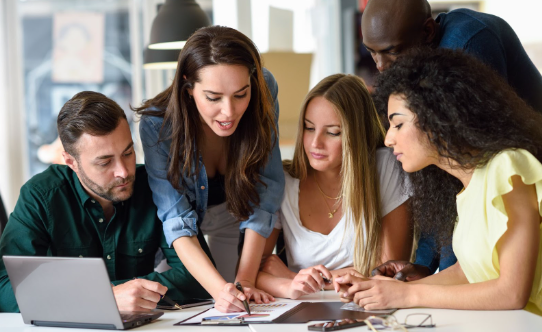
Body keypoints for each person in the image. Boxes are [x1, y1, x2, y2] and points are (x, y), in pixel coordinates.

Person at [334, 48, 542, 316]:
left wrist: (407, 294)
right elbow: (468, 272)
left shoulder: (508, 168)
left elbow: (512, 292)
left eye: (397, 124)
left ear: (438, 117)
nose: (388, 139)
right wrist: (379, 288)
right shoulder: (466, 187)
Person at [361, 0, 542, 279]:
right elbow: (440, 175)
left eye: (392, 51)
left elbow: (460, 175)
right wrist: (423, 265)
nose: (381, 66)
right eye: (371, 53)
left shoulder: (468, 46)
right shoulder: (421, 64)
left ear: (428, 32)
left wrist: (437, 272)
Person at [0, 91, 207, 313]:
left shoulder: (154, 187)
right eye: (105, 162)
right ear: (71, 162)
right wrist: (102, 297)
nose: (123, 172)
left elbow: (199, 278)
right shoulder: (41, 196)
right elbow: (5, 289)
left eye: (128, 153)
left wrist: (120, 294)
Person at [135, 25, 284, 313]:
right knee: (196, 304)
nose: (229, 112)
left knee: (242, 302)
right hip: (185, 231)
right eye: (213, 98)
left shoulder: (265, 88)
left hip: (237, 211)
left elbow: (267, 187)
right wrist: (220, 292)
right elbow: (177, 221)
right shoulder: (157, 125)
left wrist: (245, 280)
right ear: (188, 86)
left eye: (241, 94)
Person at [255, 74, 412, 299]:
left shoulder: (385, 167)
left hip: (368, 306)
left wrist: (293, 277)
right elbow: (255, 272)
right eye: (309, 128)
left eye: (332, 132)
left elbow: (389, 271)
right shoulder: (284, 181)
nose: (315, 143)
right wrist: (289, 285)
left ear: (356, 135)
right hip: (301, 310)